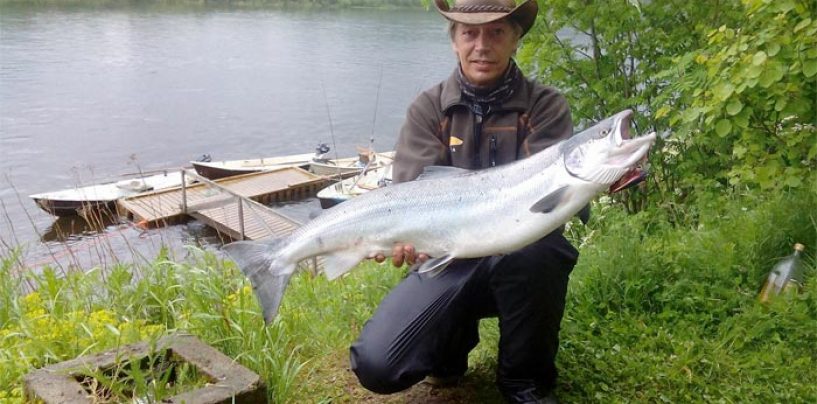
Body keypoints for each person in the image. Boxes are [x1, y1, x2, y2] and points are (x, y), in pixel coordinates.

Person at [349, 1, 577, 403]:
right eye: (470, 33)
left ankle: (525, 380)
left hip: (522, 257)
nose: (482, 46)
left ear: (516, 39)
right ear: (454, 41)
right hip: (447, 260)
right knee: (376, 365)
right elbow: (409, 198)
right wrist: (403, 240)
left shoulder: (545, 107)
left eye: (497, 33)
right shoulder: (428, 109)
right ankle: (448, 353)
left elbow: (555, 203)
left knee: (541, 253)